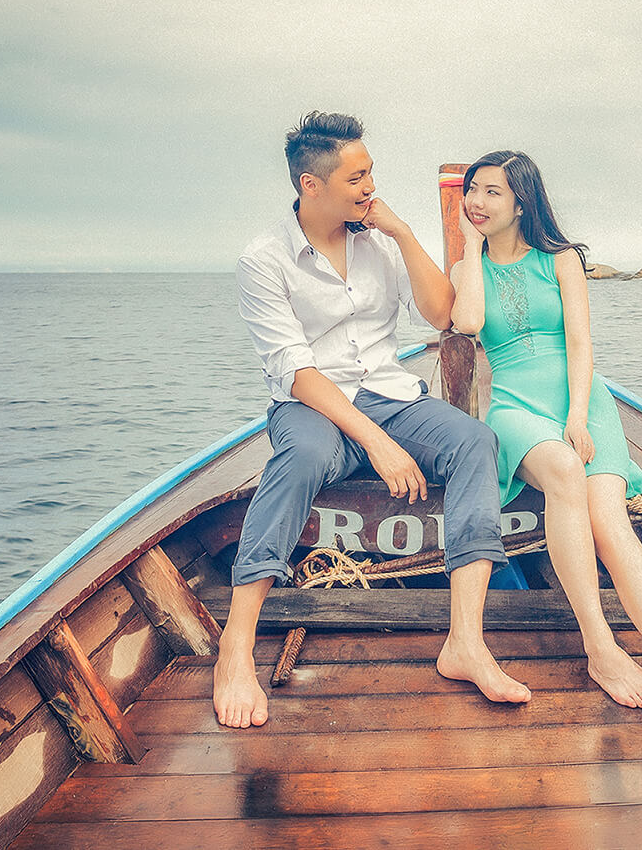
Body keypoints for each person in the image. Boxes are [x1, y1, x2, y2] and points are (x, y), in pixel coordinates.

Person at [212, 113, 530, 727]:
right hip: (314, 405)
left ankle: (465, 641)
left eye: (371, 173)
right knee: (300, 458)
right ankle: (236, 645)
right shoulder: (264, 259)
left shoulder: (380, 241)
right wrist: (378, 443)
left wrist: (405, 233)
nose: (369, 186)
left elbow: (443, 315)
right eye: (357, 177)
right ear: (311, 184)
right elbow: (297, 372)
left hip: (390, 394)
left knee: (476, 443)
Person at [449, 150, 642, 745]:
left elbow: (583, 344)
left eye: (492, 193)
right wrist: (468, 247)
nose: (478, 203)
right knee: (563, 470)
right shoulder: (471, 265)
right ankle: (601, 646)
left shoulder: (560, 260)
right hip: (514, 406)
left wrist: (580, 414)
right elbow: (466, 324)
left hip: (582, 401)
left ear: (521, 202)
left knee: (608, 517)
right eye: (472, 192)